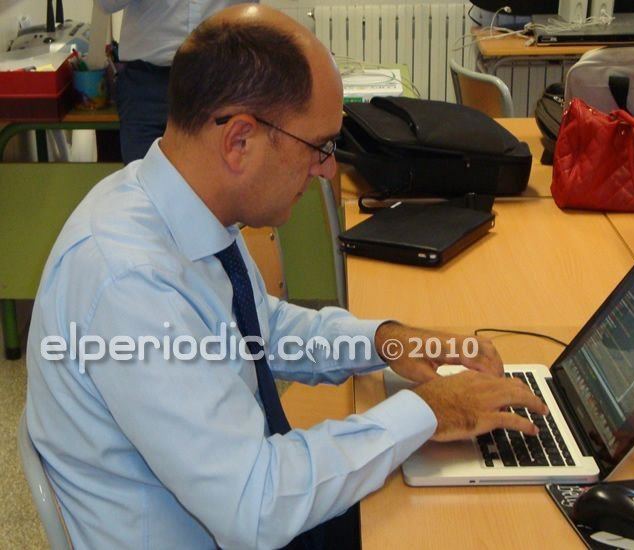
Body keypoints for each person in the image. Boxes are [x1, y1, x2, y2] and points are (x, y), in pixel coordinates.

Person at [26, 5, 548, 549]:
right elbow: (257, 506)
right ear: (240, 141)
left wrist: (385, 340)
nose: (328, 169)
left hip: (236, 500)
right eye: (319, 146)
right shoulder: (130, 282)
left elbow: (259, 329)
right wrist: (430, 410)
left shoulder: (180, 200)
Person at [95, 0, 255, 164]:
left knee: (226, 171)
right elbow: (106, 4)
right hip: (148, 86)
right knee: (145, 172)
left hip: (225, 81)